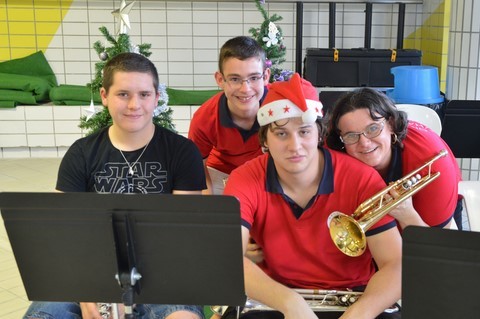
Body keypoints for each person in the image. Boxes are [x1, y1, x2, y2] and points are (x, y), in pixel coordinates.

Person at [23, 52, 206, 319]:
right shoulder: (82, 153)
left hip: (163, 275)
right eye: (123, 94)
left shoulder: (182, 152)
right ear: (104, 96)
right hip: (88, 270)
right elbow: (64, 234)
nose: (134, 105)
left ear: (157, 97)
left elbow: (183, 238)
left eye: (144, 94)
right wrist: (89, 285)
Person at [223, 74, 402, 319]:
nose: (295, 146)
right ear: (265, 139)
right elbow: (227, 256)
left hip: (353, 300)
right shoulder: (245, 178)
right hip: (276, 297)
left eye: (304, 132)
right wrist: (290, 303)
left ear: (319, 134)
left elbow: (396, 263)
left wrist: (359, 314)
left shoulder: (361, 178)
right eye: (281, 134)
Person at [326, 88, 462, 231]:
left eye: (373, 129)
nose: (364, 143)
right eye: (351, 135)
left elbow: (439, 247)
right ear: (341, 140)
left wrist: (407, 215)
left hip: (427, 218)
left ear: (391, 124)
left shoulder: (432, 161)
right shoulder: (332, 152)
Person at [188, 36, 270, 195]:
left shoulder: (281, 105)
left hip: (267, 172)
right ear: (220, 79)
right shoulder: (204, 118)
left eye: (254, 78)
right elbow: (197, 170)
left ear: (266, 76)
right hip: (221, 173)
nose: (245, 89)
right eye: (234, 79)